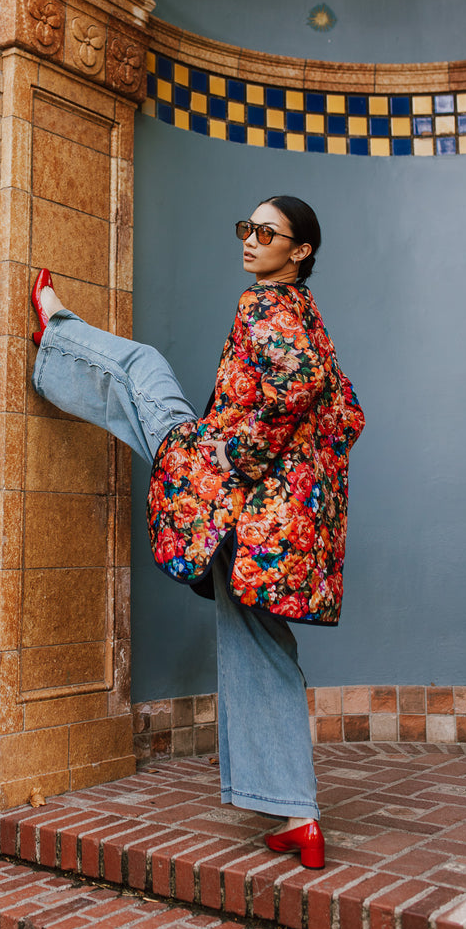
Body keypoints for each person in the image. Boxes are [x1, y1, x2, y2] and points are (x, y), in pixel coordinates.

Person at [30, 195, 364, 870]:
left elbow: (289, 394)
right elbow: (344, 414)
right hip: (273, 532)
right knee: (262, 649)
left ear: (299, 252)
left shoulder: (265, 306)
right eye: (247, 228)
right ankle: (299, 814)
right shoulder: (311, 323)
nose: (251, 241)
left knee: (143, 372)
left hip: (236, 505)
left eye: (268, 233)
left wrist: (222, 464)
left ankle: (55, 328)